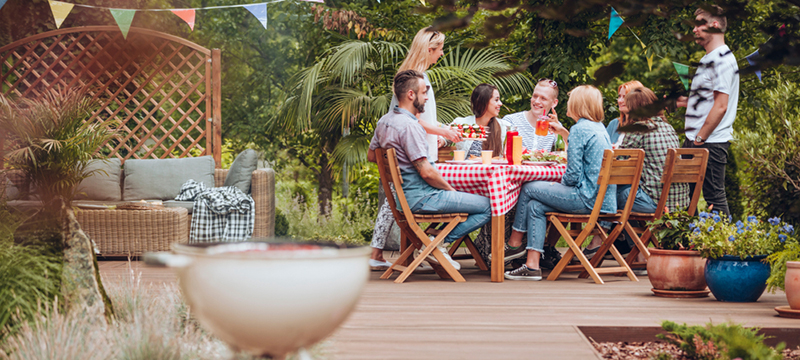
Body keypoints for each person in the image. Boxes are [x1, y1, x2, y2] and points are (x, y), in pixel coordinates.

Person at [368, 70, 492, 271]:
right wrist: (450, 190)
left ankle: (435, 242)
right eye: (424, 92)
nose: (426, 97)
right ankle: (437, 243)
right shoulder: (410, 126)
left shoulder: (384, 122)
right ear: (411, 95)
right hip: (422, 197)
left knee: (473, 201)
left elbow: (372, 156)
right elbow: (426, 172)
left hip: (403, 199)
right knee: (489, 205)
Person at [368, 27, 462, 269]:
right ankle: (425, 247)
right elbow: (409, 118)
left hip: (414, 146)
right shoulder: (415, 79)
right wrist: (442, 131)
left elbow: (418, 119)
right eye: (439, 49)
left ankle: (401, 252)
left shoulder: (413, 75)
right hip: (411, 152)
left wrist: (438, 135)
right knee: (401, 200)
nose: (441, 54)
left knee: (394, 202)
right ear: (429, 50)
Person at [503, 85, 615, 280]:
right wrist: (563, 132)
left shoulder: (580, 128)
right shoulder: (599, 128)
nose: (567, 104)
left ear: (578, 104)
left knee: (529, 187)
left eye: (571, 100)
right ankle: (532, 265)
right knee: (535, 205)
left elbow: (572, 177)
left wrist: (555, 185)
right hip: (603, 201)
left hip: (586, 198)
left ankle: (514, 243)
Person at [582, 87, 691, 264]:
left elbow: (618, 161)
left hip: (656, 202)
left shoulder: (639, 128)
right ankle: (638, 254)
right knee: (625, 196)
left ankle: (600, 241)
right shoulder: (668, 127)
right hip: (678, 202)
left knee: (611, 194)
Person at [677, 5, 739, 216]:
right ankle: (687, 246)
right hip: (695, 139)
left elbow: (721, 105)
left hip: (709, 141)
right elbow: (707, 101)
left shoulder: (722, 59)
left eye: (698, 24)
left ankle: (723, 248)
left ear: (713, 26)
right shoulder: (708, 59)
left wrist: (700, 138)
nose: (694, 30)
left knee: (714, 198)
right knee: (685, 197)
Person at [452, 84, 511, 158]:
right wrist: (442, 141)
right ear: (484, 102)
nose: (500, 103)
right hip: (464, 169)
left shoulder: (504, 127)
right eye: (496, 100)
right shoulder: (462, 123)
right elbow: (446, 136)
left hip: (491, 169)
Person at [504, 78, 563, 152]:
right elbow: (502, 152)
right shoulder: (511, 121)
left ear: (554, 103)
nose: (537, 101)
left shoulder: (555, 126)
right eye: (535, 96)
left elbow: (567, 155)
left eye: (543, 98)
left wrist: (560, 132)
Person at [606, 80, 644, 147]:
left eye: (625, 97)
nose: (620, 101)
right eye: (619, 96)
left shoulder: (645, 126)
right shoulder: (614, 124)